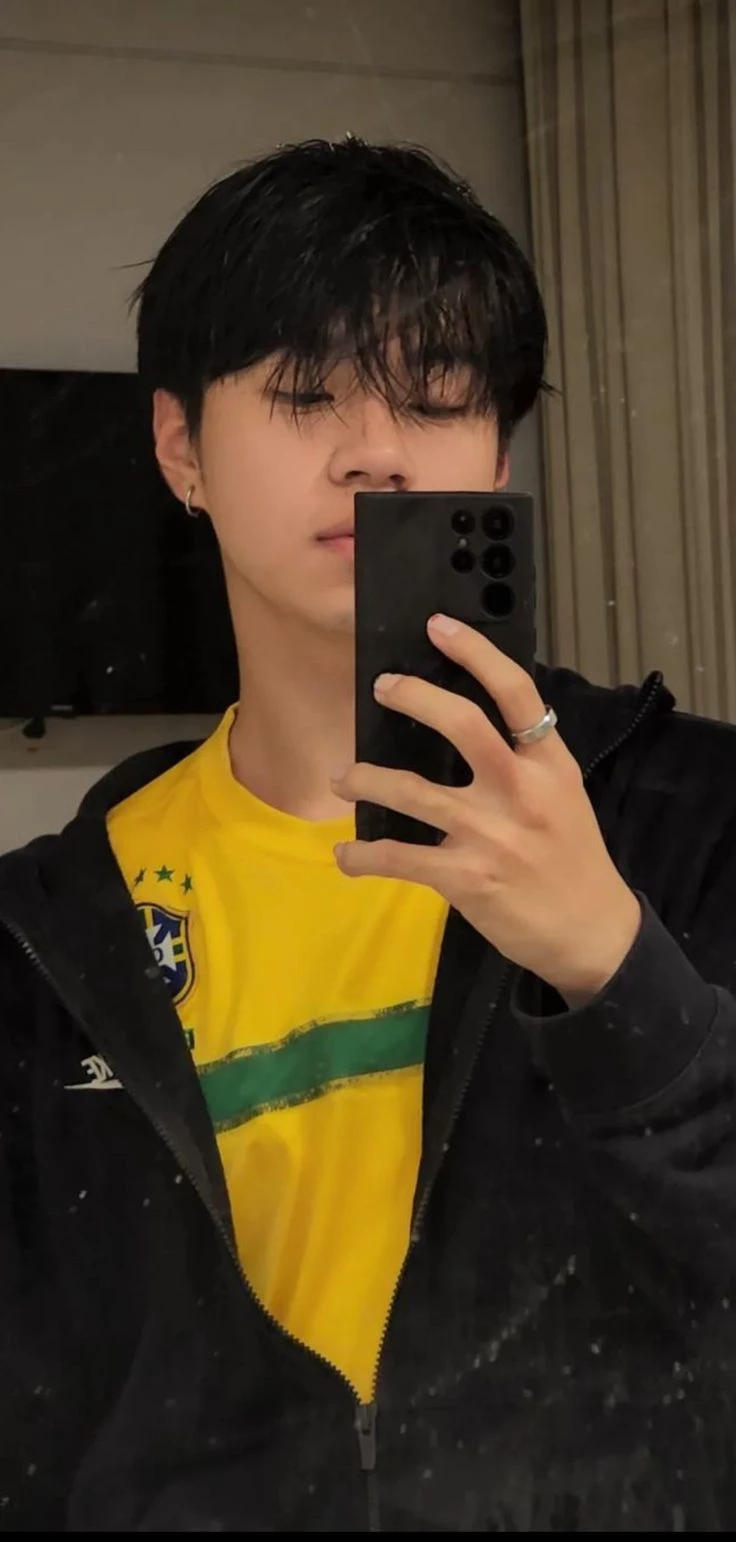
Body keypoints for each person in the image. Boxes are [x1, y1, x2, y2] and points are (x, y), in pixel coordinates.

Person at [2, 136, 736, 1534]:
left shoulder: (691, 815)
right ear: (180, 448)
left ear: (497, 451)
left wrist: (613, 966)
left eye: (437, 397)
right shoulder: (52, 931)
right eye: (302, 394)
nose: (375, 452)